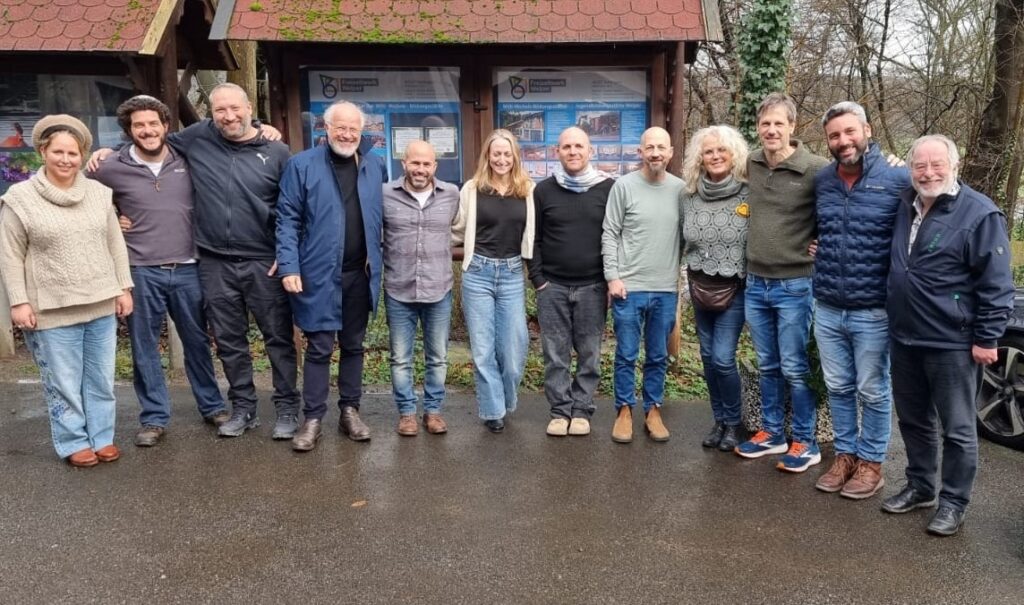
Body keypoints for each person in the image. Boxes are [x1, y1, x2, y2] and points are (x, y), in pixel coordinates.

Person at [89, 84, 299, 440]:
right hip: (213, 261)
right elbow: (143, 145)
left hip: (263, 261)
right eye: (220, 110)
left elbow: (292, 209)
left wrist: (286, 254)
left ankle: (287, 409)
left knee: (277, 338)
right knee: (229, 341)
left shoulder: (277, 151)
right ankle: (243, 408)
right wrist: (110, 159)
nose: (228, 116)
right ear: (210, 114)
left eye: (235, 108)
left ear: (249, 107)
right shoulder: (198, 138)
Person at [881, 134, 1014, 536]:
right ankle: (921, 486)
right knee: (913, 420)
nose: (928, 173)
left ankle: (953, 502)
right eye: (919, 165)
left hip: (952, 341)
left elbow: (997, 284)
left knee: (957, 428)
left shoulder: (980, 214)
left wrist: (987, 337)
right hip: (905, 336)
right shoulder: (905, 203)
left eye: (937, 164)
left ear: (954, 166)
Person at [90, 95, 228, 447]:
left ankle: (212, 406)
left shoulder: (187, 157)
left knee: (197, 341)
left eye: (153, 123)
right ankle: (153, 417)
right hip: (140, 271)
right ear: (128, 130)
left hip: (188, 268)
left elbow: (226, 127)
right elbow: (81, 198)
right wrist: (110, 218)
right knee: (144, 347)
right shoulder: (109, 167)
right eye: (139, 125)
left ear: (166, 126)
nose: (147, 130)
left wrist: (261, 126)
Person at [0, 115, 133, 466]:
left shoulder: (99, 194)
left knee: (100, 378)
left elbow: (114, 244)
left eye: (73, 153)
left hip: (100, 302)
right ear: (43, 151)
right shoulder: (20, 198)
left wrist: (123, 287)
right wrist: (19, 302)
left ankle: (102, 437)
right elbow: (10, 255)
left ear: (82, 155)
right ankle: (73, 440)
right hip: (50, 308)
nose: (65, 159)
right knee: (63, 382)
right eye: (58, 152)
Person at [811, 102, 909, 497]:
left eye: (850, 131)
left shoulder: (898, 178)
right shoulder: (823, 181)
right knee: (838, 387)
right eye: (834, 135)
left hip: (873, 309)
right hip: (828, 305)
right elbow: (817, 228)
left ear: (867, 130)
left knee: (873, 389)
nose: (843, 141)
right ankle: (845, 456)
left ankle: (871, 463)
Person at [277, 100, 386, 451]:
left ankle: (350, 411)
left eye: (354, 129)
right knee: (320, 347)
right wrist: (289, 265)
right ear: (326, 128)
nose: (347, 134)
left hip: (360, 274)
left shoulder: (374, 165)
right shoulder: (302, 165)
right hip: (318, 274)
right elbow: (287, 219)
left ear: (361, 130)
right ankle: (312, 418)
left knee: (354, 346)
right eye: (341, 127)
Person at [734, 93, 829, 471]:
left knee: (794, 366)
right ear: (758, 127)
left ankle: (805, 441)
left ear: (792, 126)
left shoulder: (816, 168)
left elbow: (843, 202)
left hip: (795, 285)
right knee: (768, 364)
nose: (771, 130)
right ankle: (773, 433)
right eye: (765, 124)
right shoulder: (752, 163)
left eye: (779, 123)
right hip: (756, 284)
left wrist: (826, 241)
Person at [528, 126, 614, 437]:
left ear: (590, 151)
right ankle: (560, 411)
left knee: (590, 353)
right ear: (557, 152)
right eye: (566, 147)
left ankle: (581, 410)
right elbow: (534, 238)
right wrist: (538, 279)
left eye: (579, 146)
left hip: (593, 286)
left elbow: (615, 236)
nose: (573, 151)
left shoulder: (608, 188)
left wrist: (610, 280)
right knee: (555, 354)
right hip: (552, 286)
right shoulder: (543, 191)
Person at [602, 127, 684, 443]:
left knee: (658, 355)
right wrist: (613, 276)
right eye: (649, 147)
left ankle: (653, 409)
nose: (655, 153)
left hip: (665, 289)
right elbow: (610, 233)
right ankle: (624, 409)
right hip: (629, 287)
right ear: (640, 152)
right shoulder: (623, 186)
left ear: (670, 152)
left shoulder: (681, 190)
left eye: (661, 147)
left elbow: (689, 236)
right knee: (626, 353)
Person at [452, 129, 535, 433]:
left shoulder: (528, 190)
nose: (501, 159)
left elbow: (536, 233)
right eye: (496, 153)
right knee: (483, 349)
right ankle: (493, 410)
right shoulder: (472, 189)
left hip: (512, 273)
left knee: (513, 349)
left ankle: (505, 399)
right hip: (478, 273)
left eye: (507, 154)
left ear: (515, 156)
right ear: (487, 156)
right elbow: (457, 229)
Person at [678, 125, 750, 452]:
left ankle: (734, 423)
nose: (716, 156)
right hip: (699, 286)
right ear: (700, 157)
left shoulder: (748, 192)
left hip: (735, 288)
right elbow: (681, 239)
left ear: (734, 154)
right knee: (707, 357)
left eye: (722, 150)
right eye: (709, 151)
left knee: (722, 358)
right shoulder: (688, 195)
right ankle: (719, 420)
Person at [382, 140, 460, 436]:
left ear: (434, 167)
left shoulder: (451, 194)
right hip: (398, 289)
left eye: (427, 164)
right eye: (415, 163)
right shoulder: (385, 194)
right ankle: (406, 413)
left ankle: (433, 411)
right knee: (400, 358)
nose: (420, 169)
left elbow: (461, 228)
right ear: (404, 163)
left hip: (438, 288)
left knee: (437, 357)